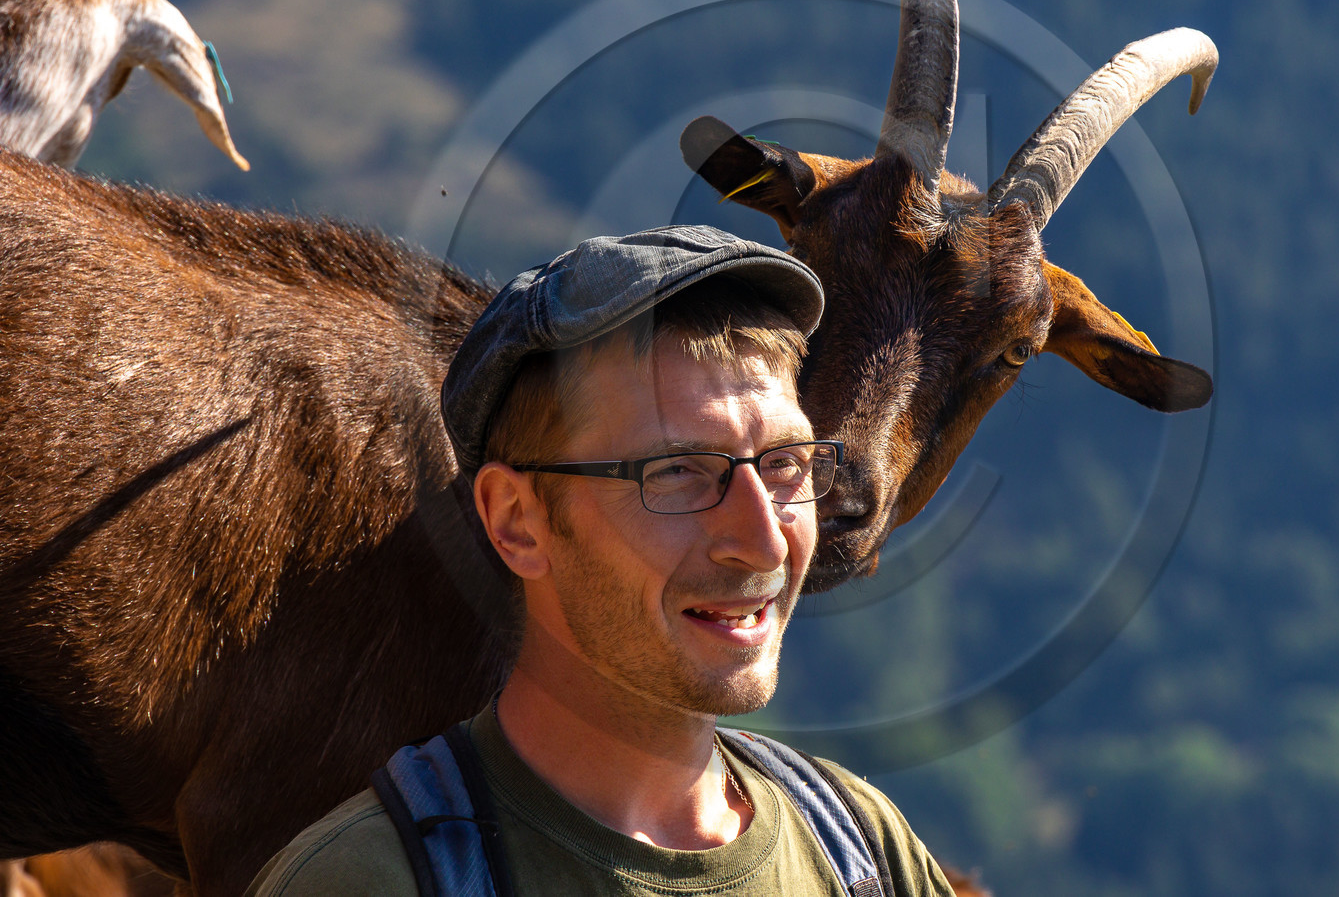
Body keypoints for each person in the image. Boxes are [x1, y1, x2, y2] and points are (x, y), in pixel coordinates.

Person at [246, 225, 958, 896]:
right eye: (678, 471)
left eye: (785, 463)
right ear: (516, 522)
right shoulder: (371, 879)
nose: (766, 539)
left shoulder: (863, 850)